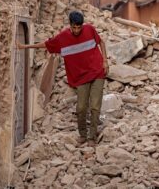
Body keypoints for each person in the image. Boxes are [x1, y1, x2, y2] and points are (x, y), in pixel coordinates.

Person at [17, 11, 108, 147]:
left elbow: (101, 42)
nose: (77, 30)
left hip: (97, 72)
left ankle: (92, 137)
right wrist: (25, 46)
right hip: (81, 77)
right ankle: (82, 135)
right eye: (74, 27)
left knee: (95, 106)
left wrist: (105, 61)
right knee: (81, 107)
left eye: (79, 27)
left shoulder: (89, 29)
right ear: (70, 25)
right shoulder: (63, 38)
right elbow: (47, 44)